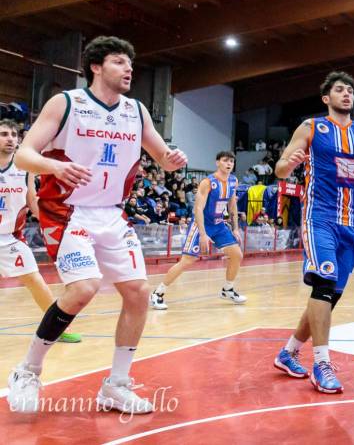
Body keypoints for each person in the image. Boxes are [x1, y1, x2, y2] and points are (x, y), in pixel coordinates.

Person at [7, 36, 188, 414]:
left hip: (112, 213)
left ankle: (116, 385)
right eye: (120, 62)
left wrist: (172, 159)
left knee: (138, 292)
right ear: (96, 66)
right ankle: (28, 371)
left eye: (130, 64)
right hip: (69, 211)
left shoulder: (136, 111)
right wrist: (55, 166)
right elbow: (24, 155)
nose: (129, 70)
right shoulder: (67, 103)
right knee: (83, 288)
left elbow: (159, 152)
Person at [271, 71, 354, 393]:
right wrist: (290, 163)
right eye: (339, 90)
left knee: (330, 294)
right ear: (326, 98)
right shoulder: (311, 127)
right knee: (324, 283)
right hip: (319, 217)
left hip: (352, 221)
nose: (347, 94)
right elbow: (279, 169)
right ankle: (322, 364)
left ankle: (288, 352)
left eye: (350, 90)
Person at [0, 120, 80, 344]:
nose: (10, 138)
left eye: (14, 135)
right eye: (4, 134)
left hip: (10, 238)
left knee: (35, 280)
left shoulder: (24, 168)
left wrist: (47, 222)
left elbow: (32, 199)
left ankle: (56, 329)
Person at [150, 151, 246, 310]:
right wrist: (202, 234)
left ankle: (227, 289)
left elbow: (232, 204)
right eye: (225, 161)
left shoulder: (233, 181)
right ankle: (157, 293)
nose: (229, 164)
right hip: (201, 225)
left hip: (219, 225)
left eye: (231, 161)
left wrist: (235, 228)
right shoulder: (208, 182)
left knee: (237, 255)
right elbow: (198, 209)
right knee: (188, 261)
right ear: (217, 163)